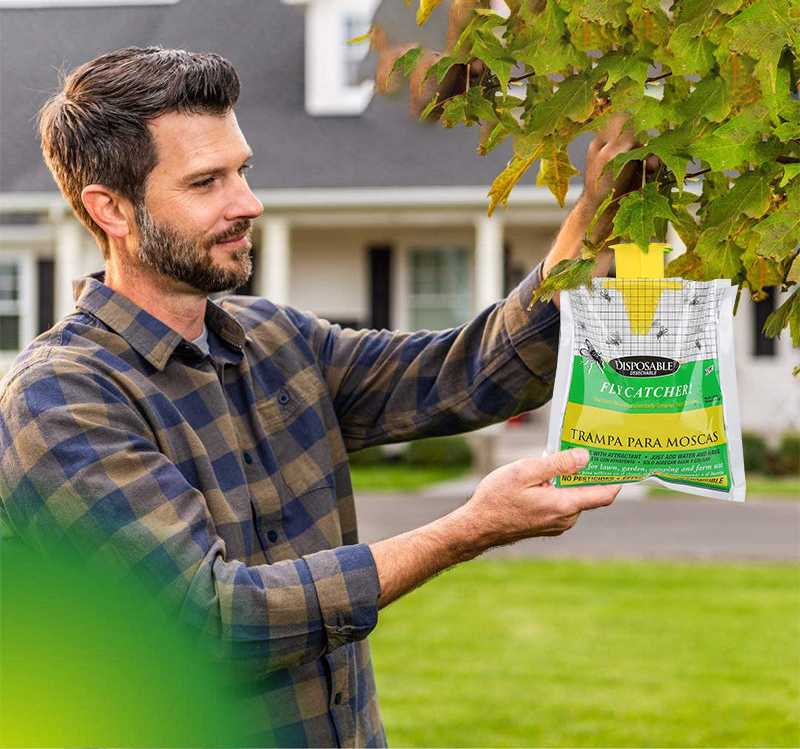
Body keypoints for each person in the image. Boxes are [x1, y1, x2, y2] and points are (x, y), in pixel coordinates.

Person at [0, 47, 647, 747]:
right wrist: (466, 531)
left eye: (242, 170)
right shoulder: (62, 401)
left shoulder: (276, 340)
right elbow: (217, 623)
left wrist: (596, 213)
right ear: (112, 211)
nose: (247, 203)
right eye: (205, 182)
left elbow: (473, 372)